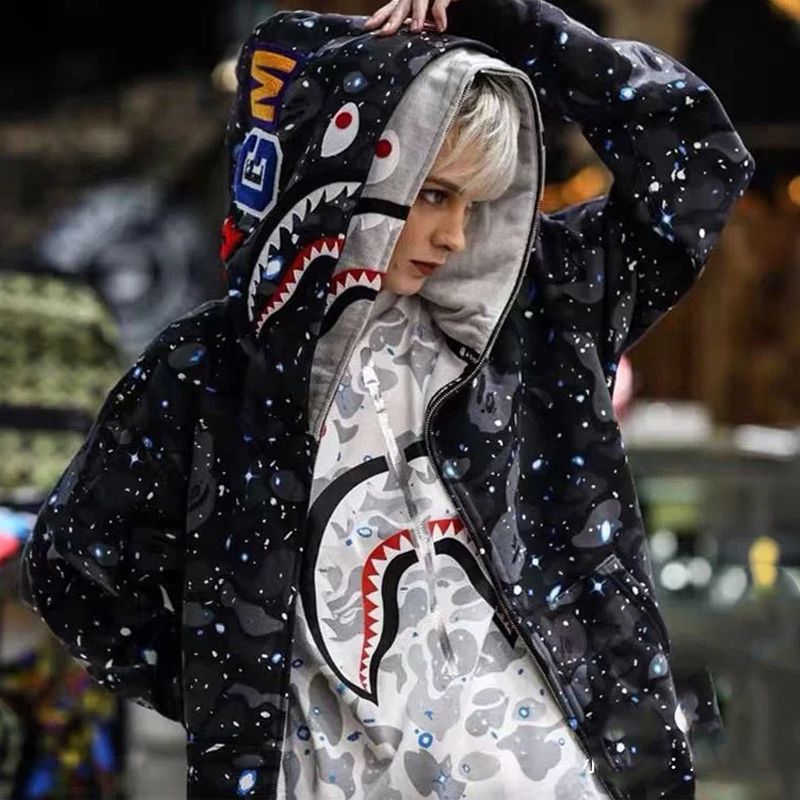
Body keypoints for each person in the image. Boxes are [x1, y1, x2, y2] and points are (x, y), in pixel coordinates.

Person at [18, 0, 754, 798]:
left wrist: (512, 23)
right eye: (433, 193)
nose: (456, 235)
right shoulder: (214, 370)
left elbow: (698, 158)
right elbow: (73, 570)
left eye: (475, 202)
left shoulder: (539, 315)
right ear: (353, 173)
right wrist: (238, 705)